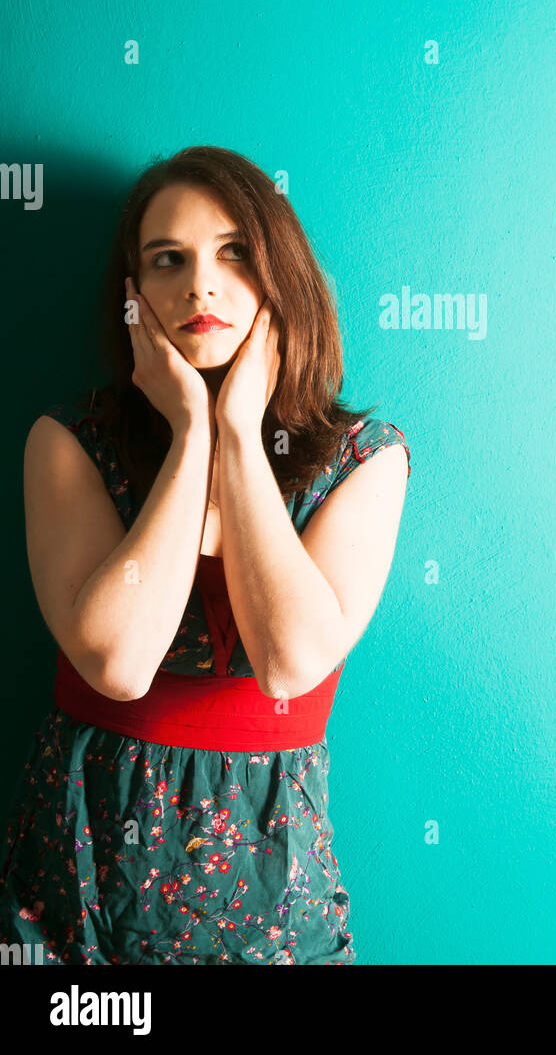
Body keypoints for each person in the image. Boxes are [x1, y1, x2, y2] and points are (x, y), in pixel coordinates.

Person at [0, 145, 410, 965]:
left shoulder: (363, 458)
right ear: (132, 297)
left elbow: (289, 663)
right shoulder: (68, 442)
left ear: (279, 278)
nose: (199, 285)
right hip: (76, 896)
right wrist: (193, 432)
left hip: (270, 902)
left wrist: (239, 433)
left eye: (233, 254)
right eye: (167, 261)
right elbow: (114, 663)